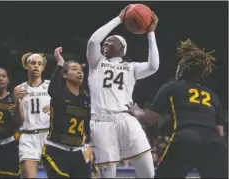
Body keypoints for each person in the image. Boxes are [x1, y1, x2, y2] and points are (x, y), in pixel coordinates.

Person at [126, 39, 228, 178]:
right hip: (215, 143)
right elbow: (221, 131)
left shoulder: (172, 86)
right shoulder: (212, 95)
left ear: (182, 69)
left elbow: (149, 120)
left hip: (186, 138)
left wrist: (137, 112)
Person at [86, 5, 159, 178]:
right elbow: (93, 42)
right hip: (101, 122)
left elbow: (153, 66)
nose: (106, 43)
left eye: (111, 42)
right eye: (106, 42)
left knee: (148, 174)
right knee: (107, 175)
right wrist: (119, 19)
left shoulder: (132, 67)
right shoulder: (96, 63)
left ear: (122, 48)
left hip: (126, 118)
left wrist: (151, 33)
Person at [41, 47, 91, 178]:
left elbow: (88, 125)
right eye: (74, 69)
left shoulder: (86, 98)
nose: (80, 72)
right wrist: (60, 63)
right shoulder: (59, 93)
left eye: (81, 70)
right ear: (64, 75)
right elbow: (52, 88)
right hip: (55, 151)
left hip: (77, 153)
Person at [13, 53, 51, 178]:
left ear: (43, 68)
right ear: (26, 66)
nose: (36, 66)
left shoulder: (51, 86)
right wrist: (18, 102)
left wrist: (55, 108)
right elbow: (18, 121)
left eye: (39, 64)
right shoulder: (19, 89)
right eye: (33, 63)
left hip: (50, 136)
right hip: (28, 137)